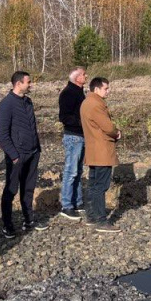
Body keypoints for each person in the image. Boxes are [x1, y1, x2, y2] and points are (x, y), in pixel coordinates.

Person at [0, 70, 42, 237]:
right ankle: (7, 225)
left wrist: (37, 149)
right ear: (18, 84)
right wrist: (14, 155)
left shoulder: (28, 102)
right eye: (28, 82)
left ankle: (28, 219)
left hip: (33, 152)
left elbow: (32, 127)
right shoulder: (6, 104)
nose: (30, 85)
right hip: (17, 155)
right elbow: (2, 134)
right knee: (11, 190)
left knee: (28, 188)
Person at [80, 77, 121, 233]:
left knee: (93, 184)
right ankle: (101, 221)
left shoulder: (86, 102)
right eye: (106, 88)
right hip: (101, 150)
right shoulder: (96, 104)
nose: (108, 91)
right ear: (96, 89)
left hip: (93, 150)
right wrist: (117, 133)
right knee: (100, 186)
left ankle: (91, 216)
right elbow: (108, 126)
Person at [58, 67, 87, 220]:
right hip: (73, 136)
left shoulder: (79, 92)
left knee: (78, 171)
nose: (86, 76)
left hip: (81, 136)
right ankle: (67, 205)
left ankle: (78, 201)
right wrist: (83, 123)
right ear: (76, 78)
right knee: (71, 171)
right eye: (83, 74)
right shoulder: (68, 93)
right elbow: (64, 116)